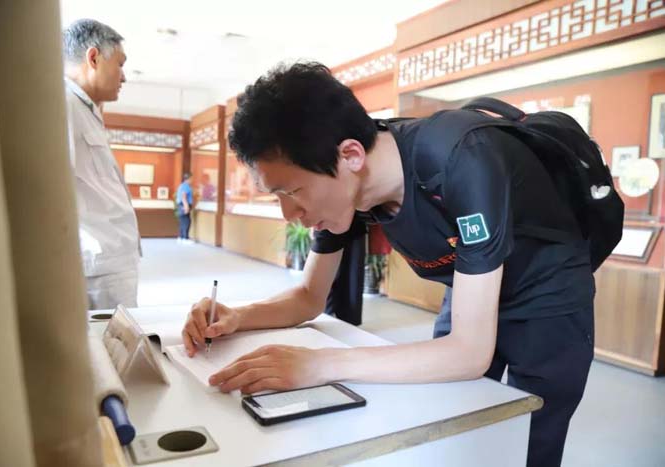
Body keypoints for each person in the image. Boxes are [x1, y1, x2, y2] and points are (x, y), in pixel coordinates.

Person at [182, 62, 595, 467]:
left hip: (547, 292)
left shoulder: (462, 159)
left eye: (291, 192)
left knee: (529, 440)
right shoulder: (346, 189)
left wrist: (321, 363)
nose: (290, 214)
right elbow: (308, 296)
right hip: (469, 284)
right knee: (450, 420)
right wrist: (238, 316)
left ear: (350, 155)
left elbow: (468, 352)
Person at [63, 19, 141, 309]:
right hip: (97, 263)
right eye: (120, 64)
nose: (124, 77)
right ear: (93, 58)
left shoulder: (86, 110)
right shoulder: (64, 106)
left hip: (108, 260)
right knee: (108, 336)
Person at [176, 172, 193, 243]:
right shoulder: (186, 186)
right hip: (184, 204)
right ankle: (185, 238)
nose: (192, 180)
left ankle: (181, 237)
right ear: (188, 179)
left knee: (182, 221)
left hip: (180, 205)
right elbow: (184, 197)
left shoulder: (181, 186)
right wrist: (186, 206)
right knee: (186, 221)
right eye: (191, 178)